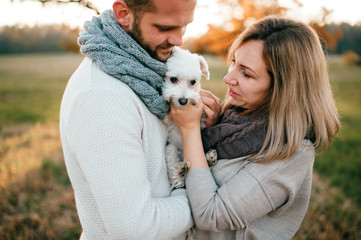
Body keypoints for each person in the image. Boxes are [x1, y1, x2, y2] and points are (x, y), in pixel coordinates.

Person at [59, 0, 220, 239]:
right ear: (124, 14)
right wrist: (208, 195)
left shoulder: (150, 72)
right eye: (165, 28)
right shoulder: (101, 96)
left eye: (184, 26)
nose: (178, 41)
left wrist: (200, 128)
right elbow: (136, 230)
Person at [169, 16, 340, 239]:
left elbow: (211, 215)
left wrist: (191, 131)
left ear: (282, 88)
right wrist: (210, 129)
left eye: (246, 73)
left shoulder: (292, 151)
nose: (229, 78)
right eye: (233, 63)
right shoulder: (234, 120)